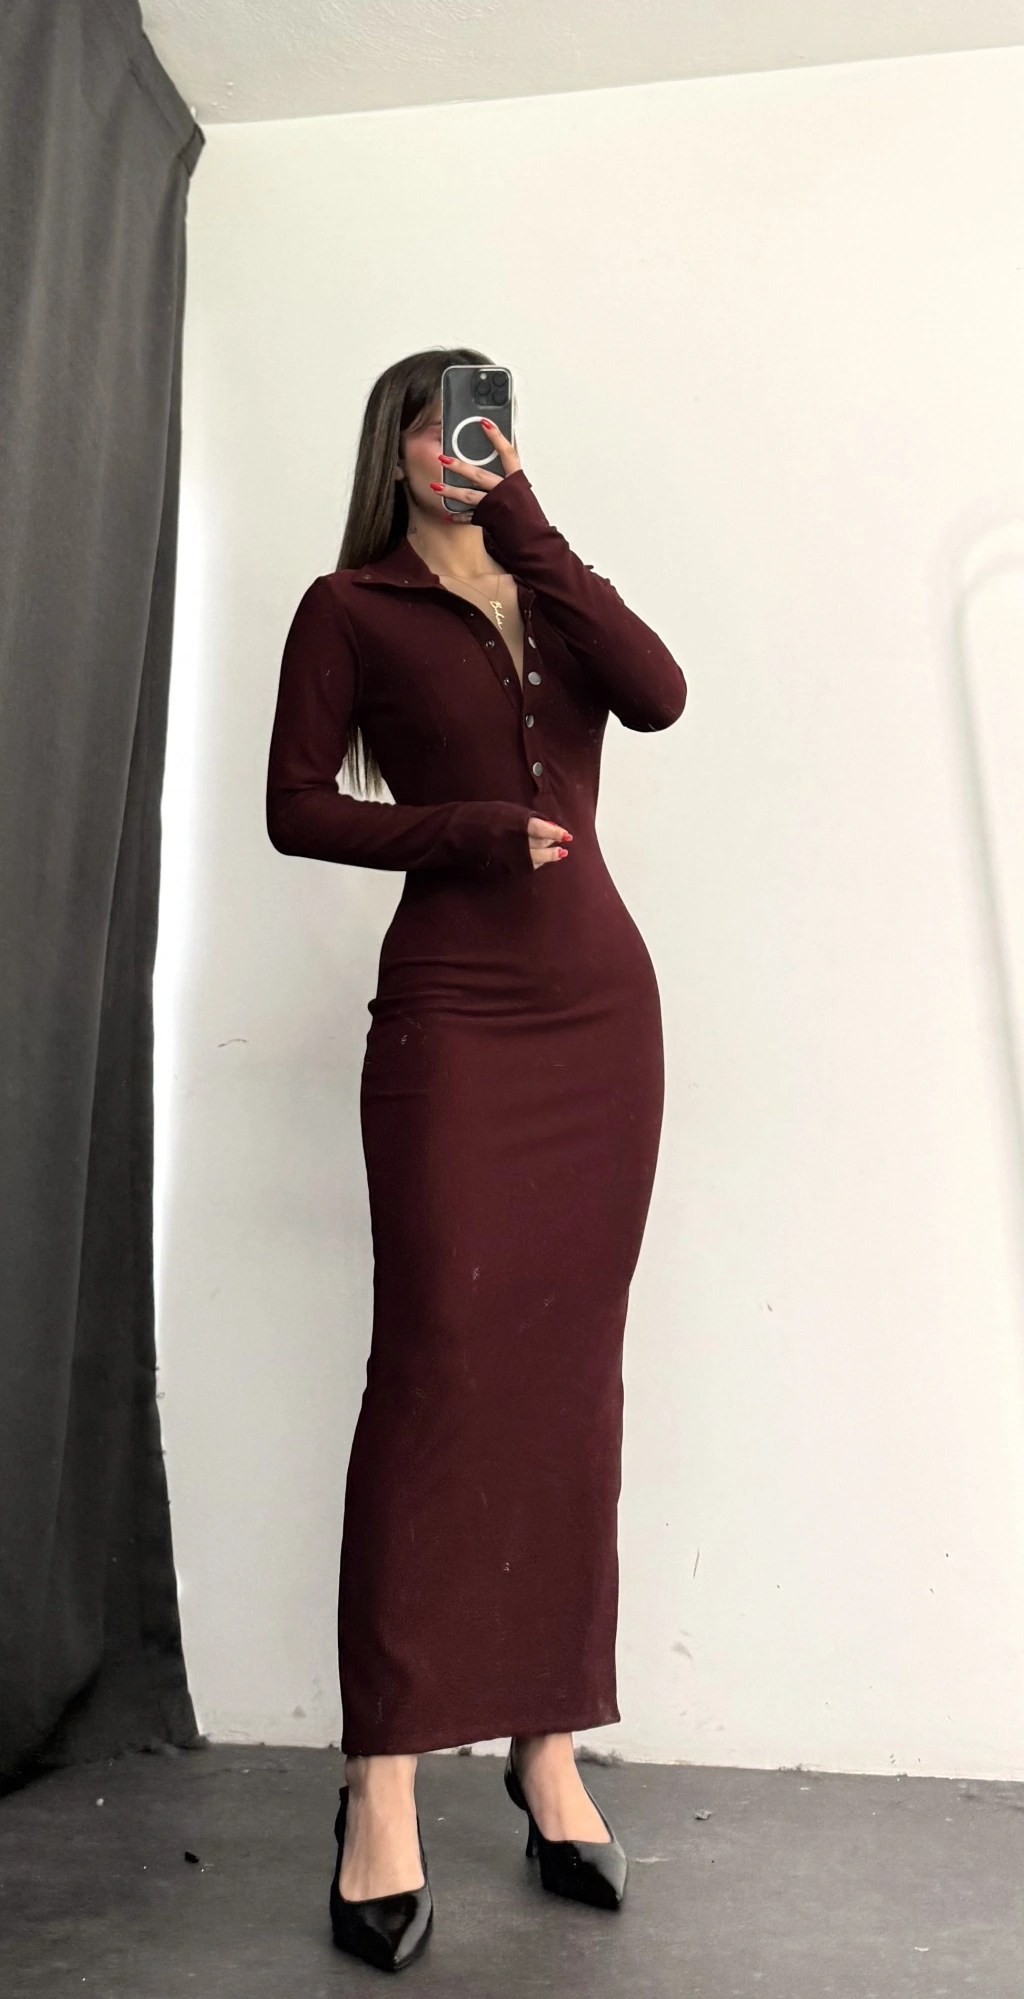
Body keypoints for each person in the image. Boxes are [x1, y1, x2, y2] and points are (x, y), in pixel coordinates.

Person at [265, 345, 687, 1972]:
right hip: (455, 1009)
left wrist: (531, 524)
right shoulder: (345, 607)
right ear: (397, 446)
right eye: (443, 425)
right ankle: (380, 1776)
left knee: (572, 1373)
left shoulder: (548, 579)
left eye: (490, 425)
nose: (468, 446)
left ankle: (548, 1745)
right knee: (437, 1365)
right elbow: (297, 806)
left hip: (600, 1012)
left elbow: (656, 691)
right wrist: (459, 830)